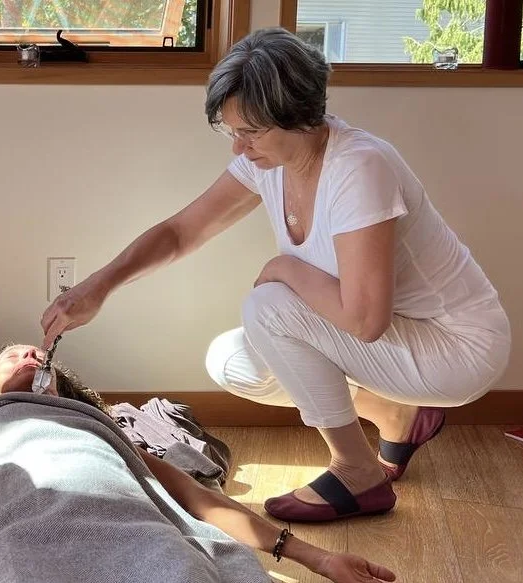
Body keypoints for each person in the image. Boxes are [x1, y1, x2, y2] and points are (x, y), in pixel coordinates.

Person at [40, 27, 512, 524]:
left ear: (301, 115)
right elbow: (181, 232)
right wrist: (99, 286)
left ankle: (358, 472)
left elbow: (365, 320)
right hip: (398, 341)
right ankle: (396, 414)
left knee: (269, 306)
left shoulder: (359, 167)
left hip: (457, 348)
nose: (238, 149)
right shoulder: (270, 162)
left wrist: (283, 267)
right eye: (232, 132)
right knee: (232, 361)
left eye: (251, 132)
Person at [0, 344, 426, 583]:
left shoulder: (103, 428)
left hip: (134, 535)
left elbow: (200, 503)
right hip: (19, 535)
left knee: (179, 574)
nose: (30, 354)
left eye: (36, 353)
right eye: (11, 354)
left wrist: (322, 562)